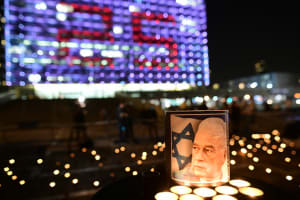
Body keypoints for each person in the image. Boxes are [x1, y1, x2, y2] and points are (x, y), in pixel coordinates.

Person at [174, 117, 227, 183]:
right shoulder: (178, 178)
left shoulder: (228, 179)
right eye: (195, 148)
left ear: (224, 155)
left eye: (208, 150)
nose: (199, 157)